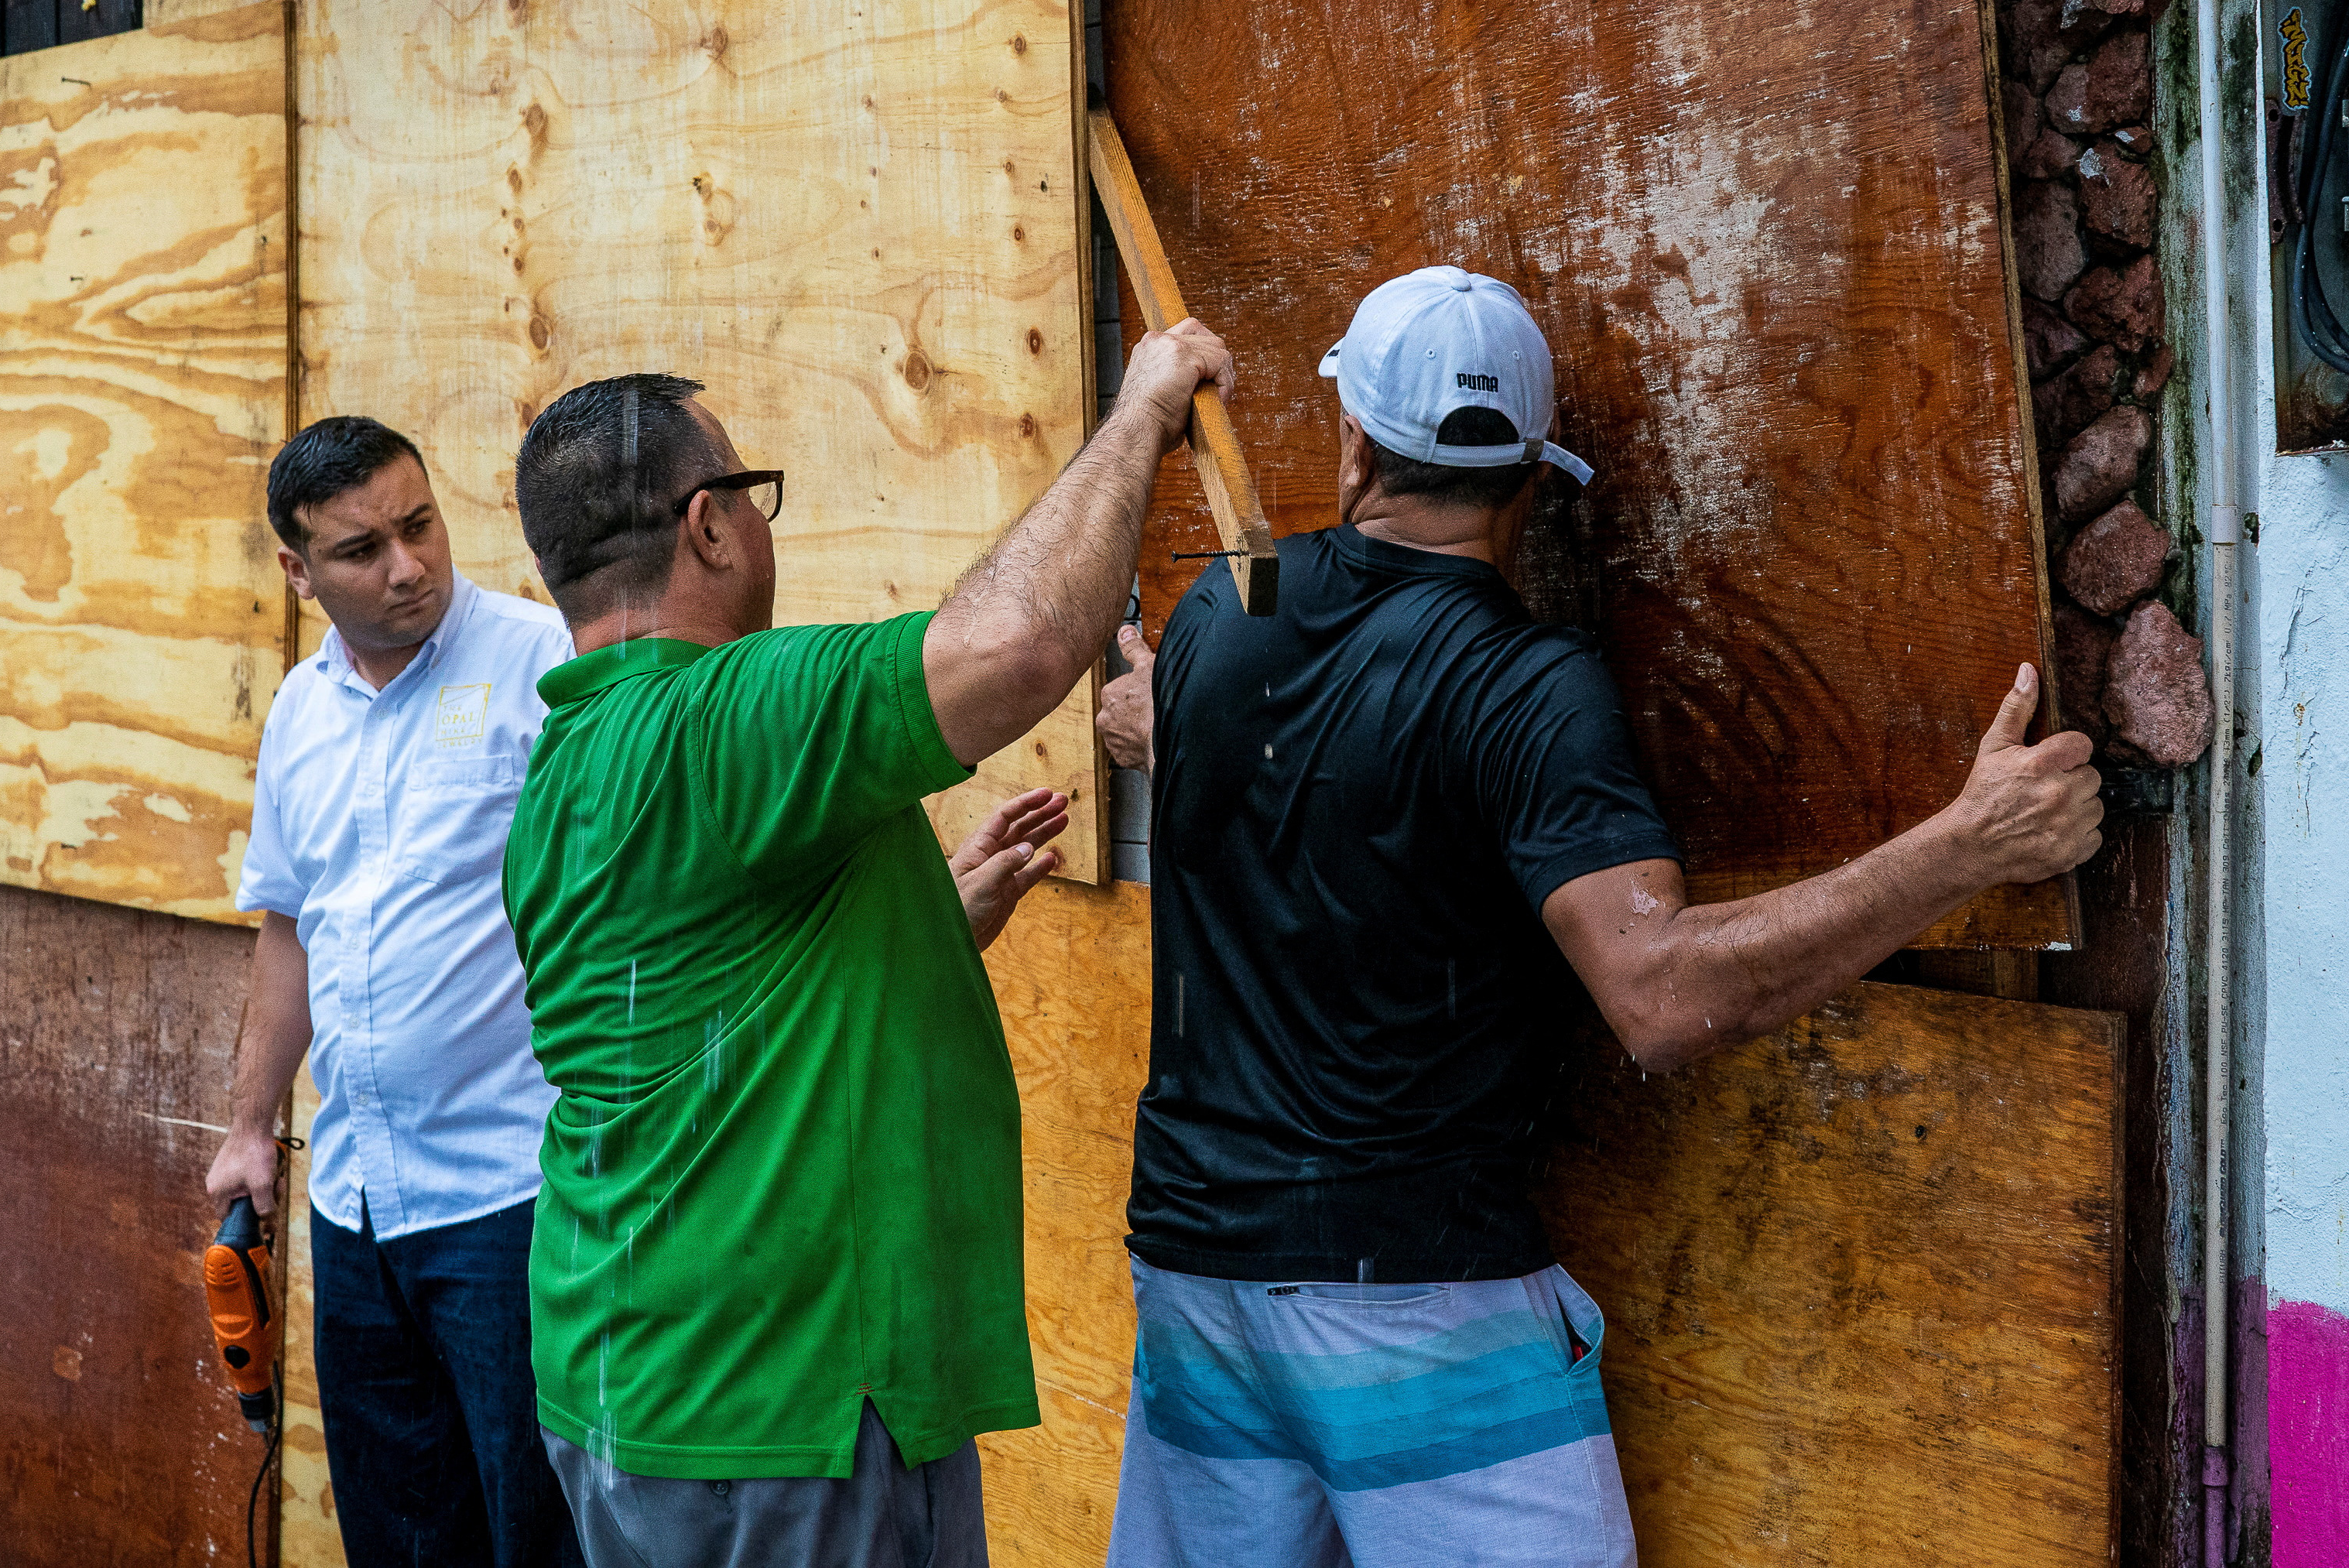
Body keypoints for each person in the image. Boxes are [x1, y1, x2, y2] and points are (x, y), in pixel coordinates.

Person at [1094, 267, 2104, 1568]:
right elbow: (1665, 997)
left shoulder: (1233, 608)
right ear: (1532, 478)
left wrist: (1167, 722)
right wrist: (1964, 848)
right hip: (1418, 1309)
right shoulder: (1527, 686)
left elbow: (1280, 744)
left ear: (1354, 443)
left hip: (1197, 1290)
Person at [495, 320, 1234, 1568]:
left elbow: (697, 1009)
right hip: (780, 1413)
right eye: (752, 493)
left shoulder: (566, 770)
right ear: (710, 523)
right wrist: (1142, 410)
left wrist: (927, 928)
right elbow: (1017, 649)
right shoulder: (721, 714)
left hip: (635, 1383)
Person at [206, 416, 585, 1568]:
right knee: (404, 1536)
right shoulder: (300, 713)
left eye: (419, 525)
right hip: (359, 1210)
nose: (408, 564)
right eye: (363, 548)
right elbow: (291, 930)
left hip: (511, 1200)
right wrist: (248, 1127)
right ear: (297, 568)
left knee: (540, 1532)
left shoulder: (542, 666)